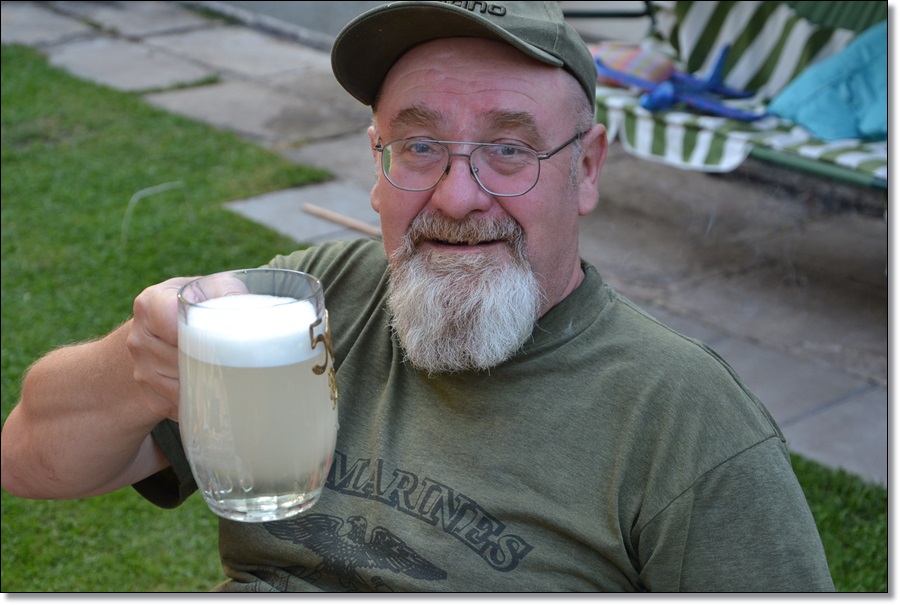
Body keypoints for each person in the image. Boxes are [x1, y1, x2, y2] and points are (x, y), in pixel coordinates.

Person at [1, 1, 834, 593]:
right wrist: (137, 367)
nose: (458, 195)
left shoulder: (682, 416)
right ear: (377, 161)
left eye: (509, 150)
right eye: (420, 145)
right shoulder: (308, 307)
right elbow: (27, 461)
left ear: (585, 170)